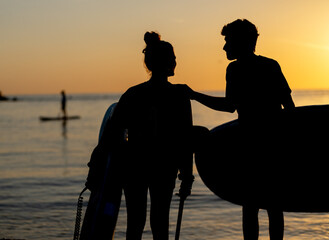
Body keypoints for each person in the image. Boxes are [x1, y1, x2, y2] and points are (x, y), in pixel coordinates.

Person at [187, 19, 295, 240]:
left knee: (251, 205)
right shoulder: (270, 65)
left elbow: (229, 107)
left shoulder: (235, 69)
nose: (224, 47)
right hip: (274, 146)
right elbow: (290, 108)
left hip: (249, 147)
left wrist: (195, 95)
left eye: (228, 41)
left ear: (242, 42)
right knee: (274, 206)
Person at [93, 31, 194, 240]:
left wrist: (97, 163)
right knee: (160, 223)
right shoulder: (179, 96)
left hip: (134, 164)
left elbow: (111, 133)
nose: (176, 61)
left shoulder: (132, 93)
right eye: (173, 57)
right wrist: (186, 175)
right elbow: (186, 139)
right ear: (166, 62)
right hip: (164, 165)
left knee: (135, 223)